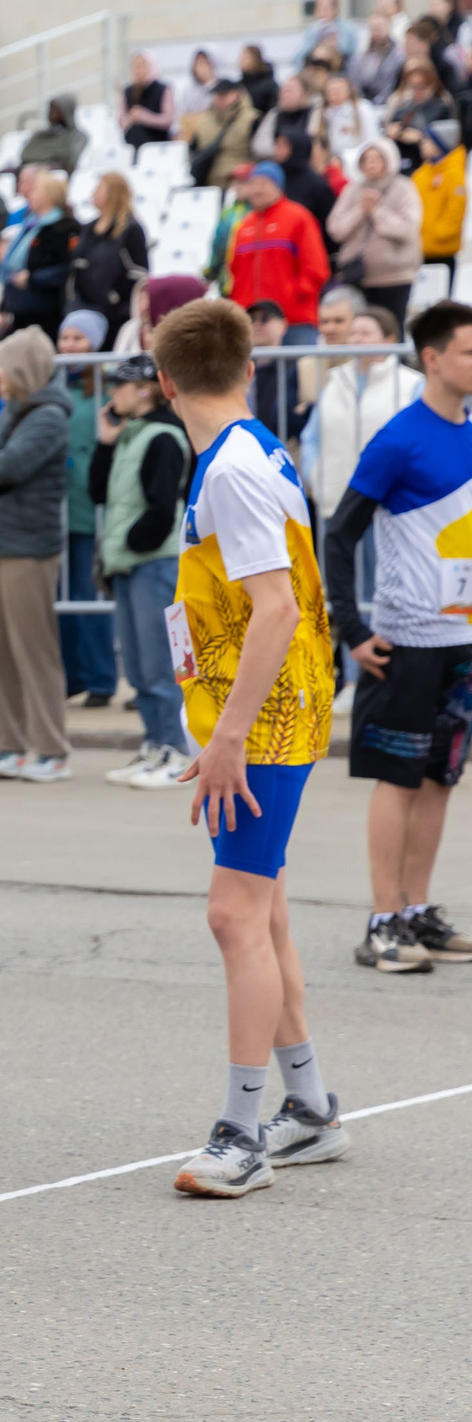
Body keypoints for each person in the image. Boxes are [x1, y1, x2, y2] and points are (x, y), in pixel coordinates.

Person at [158, 298, 345, 1197]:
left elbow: (274, 605)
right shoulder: (252, 448)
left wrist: (229, 732)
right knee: (260, 907)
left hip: (264, 713)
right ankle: (307, 1105)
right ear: (251, 367)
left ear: (163, 382)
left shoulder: (229, 467)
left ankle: (241, 1132)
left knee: (233, 914)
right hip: (278, 701)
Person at [322, 301, 472, 972]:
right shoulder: (397, 439)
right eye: (468, 351)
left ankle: (416, 909)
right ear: (432, 358)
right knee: (399, 778)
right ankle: (382, 922)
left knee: (440, 778)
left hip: (461, 640)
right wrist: (350, 627)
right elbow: (339, 533)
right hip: (404, 639)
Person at [0, 327, 75, 780]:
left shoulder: (47, 416)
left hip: (29, 547)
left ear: (23, 368)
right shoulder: (14, 411)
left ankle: (52, 749)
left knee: (34, 649)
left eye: (4, 363)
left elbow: (5, 465)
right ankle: (9, 744)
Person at [89, 354, 196, 787]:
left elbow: (163, 507)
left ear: (146, 389)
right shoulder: (130, 435)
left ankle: (175, 749)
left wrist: (133, 542)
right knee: (137, 665)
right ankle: (155, 744)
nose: (112, 392)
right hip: (130, 563)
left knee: (160, 664)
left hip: (154, 563)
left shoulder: (164, 436)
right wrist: (104, 442)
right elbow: (97, 492)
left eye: (120, 384)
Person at [53, 314, 118, 709]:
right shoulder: (55, 383)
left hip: (91, 507)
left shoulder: (108, 388)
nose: (70, 345)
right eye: (65, 337)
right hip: (58, 508)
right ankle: (71, 674)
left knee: (86, 593)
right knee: (62, 596)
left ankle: (100, 678)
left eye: (78, 338)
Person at [302, 306, 421, 517]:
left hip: (391, 507)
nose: (357, 339)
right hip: (336, 503)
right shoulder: (334, 383)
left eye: (366, 333)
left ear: (390, 340)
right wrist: (316, 476)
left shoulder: (413, 384)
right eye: (354, 333)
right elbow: (311, 438)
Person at [229, 162, 332, 343]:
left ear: (278, 186)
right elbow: (235, 272)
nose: (257, 189)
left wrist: (290, 297)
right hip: (253, 323)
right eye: (253, 183)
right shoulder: (244, 225)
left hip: (294, 320)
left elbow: (316, 269)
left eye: (263, 183)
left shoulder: (299, 218)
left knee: (300, 370)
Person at [327, 138, 424, 325]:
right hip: (358, 277)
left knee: (392, 327)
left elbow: (407, 229)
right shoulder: (352, 190)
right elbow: (336, 229)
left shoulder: (404, 187)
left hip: (395, 277)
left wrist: (376, 211)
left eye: (377, 158)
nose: (371, 164)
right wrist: (360, 211)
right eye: (366, 159)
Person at [0, 173, 76, 338]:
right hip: (18, 305)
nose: (29, 194)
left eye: (35, 190)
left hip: (44, 309)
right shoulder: (29, 224)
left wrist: (32, 278)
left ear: (49, 196)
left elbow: (65, 268)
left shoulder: (64, 227)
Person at [71, 173, 150, 327]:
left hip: (116, 315)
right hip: (84, 309)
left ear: (113, 193)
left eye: (99, 188)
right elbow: (76, 265)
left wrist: (114, 298)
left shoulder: (131, 229)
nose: (93, 193)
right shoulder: (88, 229)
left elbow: (139, 272)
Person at [186, 76, 257, 187]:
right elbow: (192, 151)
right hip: (208, 184)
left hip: (239, 184)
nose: (219, 98)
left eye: (224, 94)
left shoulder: (251, 119)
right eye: (217, 95)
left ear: (237, 94)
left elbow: (259, 153)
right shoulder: (203, 122)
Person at [317, 71, 381, 161]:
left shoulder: (362, 108)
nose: (335, 93)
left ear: (349, 90)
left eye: (339, 89)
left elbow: (372, 139)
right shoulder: (321, 113)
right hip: (332, 160)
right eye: (331, 90)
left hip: (358, 159)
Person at [120, 51, 177, 150]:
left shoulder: (162, 89)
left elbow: (168, 120)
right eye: (135, 66)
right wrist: (131, 118)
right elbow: (121, 120)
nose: (138, 70)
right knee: (135, 132)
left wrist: (144, 117)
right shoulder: (128, 91)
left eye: (141, 66)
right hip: (133, 141)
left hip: (158, 141)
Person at [20, 93, 85, 173]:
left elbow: (69, 159)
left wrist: (44, 159)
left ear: (66, 110)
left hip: (55, 175)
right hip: (29, 170)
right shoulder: (40, 135)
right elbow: (26, 154)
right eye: (50, 108)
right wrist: (53, 156)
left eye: (56, 109)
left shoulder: (77, 136)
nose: (51, 113)